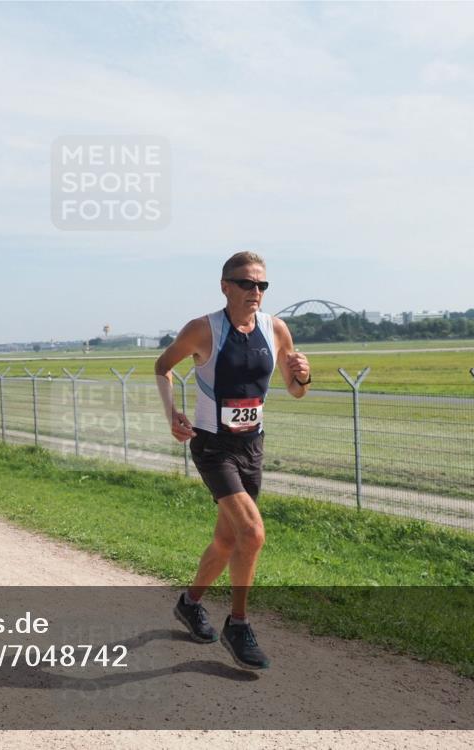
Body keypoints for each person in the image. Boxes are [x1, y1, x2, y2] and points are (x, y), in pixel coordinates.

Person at [155, 251, 311, 670]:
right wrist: (173, 413)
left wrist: (302, 375)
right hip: (213, 446)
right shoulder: (203, 329)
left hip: (251, 446)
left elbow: (295, 390)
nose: (255, 292)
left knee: (226, 541)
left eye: (261, 285)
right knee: (252, 533)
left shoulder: (275, 329)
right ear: (225, 286)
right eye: (246, 283)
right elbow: (162, 366)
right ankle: (238, 624)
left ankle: (189, 604)